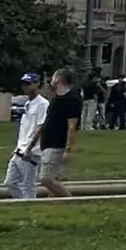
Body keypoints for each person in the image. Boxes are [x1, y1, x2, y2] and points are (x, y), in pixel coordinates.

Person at [38, 69, 84, 198]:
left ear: (59, 80)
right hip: (47, 143)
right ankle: (53, 207)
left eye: (53, 78)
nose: (51, 81)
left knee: (45, 179)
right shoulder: (55, 99)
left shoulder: (72, 99)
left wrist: (68, 149)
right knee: (54, 180)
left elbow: (72, 126)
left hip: (57, 144)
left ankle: (70, 201)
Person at [5, 73, 51, 200]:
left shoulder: (43, 104)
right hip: (20, 149)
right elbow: (24, 128)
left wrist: (29, 148)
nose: (26, 87)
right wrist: (17, 148)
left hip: (30, 152)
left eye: (29, 83)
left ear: (37, 84)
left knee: (27, 185)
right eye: (24, 84)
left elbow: (40, 128)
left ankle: (29, 206)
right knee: (10, 182)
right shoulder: (27, 103)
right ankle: (22, 203)